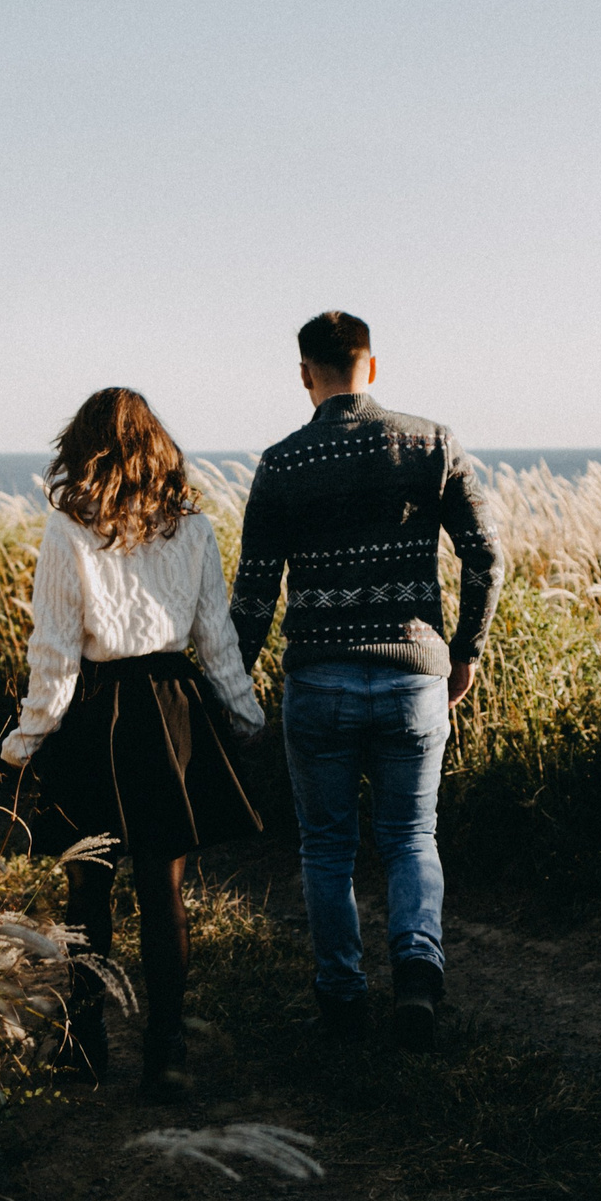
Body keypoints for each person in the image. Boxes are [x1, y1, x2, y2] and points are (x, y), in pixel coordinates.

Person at [230, 311, 503, 1050]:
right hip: (414, 677)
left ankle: (343, 997)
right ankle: (416, 975)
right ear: (371, 366)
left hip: (317, 684)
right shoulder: (432, 442)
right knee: (412, 835)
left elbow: (254, 593)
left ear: (304, 375)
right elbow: (485, 555)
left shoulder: (282, 464)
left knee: (325, 845)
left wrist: (231, 684)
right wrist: (466, 649)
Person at [2, 387, 266, 1096]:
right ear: (157, 447)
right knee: (164, 890)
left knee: (87, 889)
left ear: (82, 450)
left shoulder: (67, 527)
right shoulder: (195, 527)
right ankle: (168, 1054)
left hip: (95, 714)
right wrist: (246, 720)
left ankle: (83, 1044)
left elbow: (54, 652)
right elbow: (217, 640)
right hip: (173, 712)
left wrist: (24, 742)